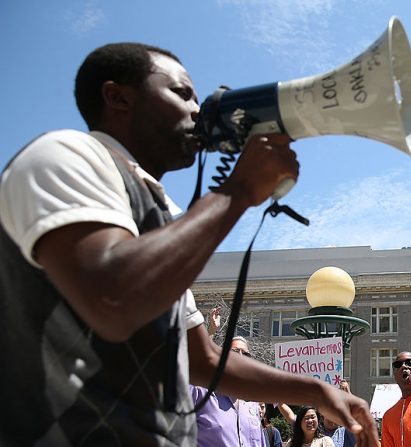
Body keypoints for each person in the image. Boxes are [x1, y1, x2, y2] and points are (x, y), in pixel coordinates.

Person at [0, 42, 378, 446]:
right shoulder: (64, 155)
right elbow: (111, 299)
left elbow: (205, 360)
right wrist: (240, 190)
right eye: (181, 94)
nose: (198, 111)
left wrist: (317, 391)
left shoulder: (154, 214)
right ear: (117, 97)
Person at [193, 335, 268, 446]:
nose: (241, 356)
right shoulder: (201, 392)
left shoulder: (252, 402)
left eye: (246, 354)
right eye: (235, 351)